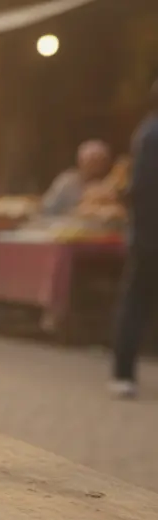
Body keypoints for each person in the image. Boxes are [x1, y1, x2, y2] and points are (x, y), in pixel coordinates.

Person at [110, 82, 158, 398]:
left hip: (147, 233)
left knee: (137, 302)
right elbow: (143, 190)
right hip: (149, 235)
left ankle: (123, 372)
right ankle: (122, 373)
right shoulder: (152, 134)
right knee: (136, 302)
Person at [40, 140, 113, 216]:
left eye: (100, 161)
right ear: (81, 162)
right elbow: (48, 208)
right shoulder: (66, 182)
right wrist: (76, 212)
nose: (96, 166)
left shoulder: (111, 184)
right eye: (92, 161)